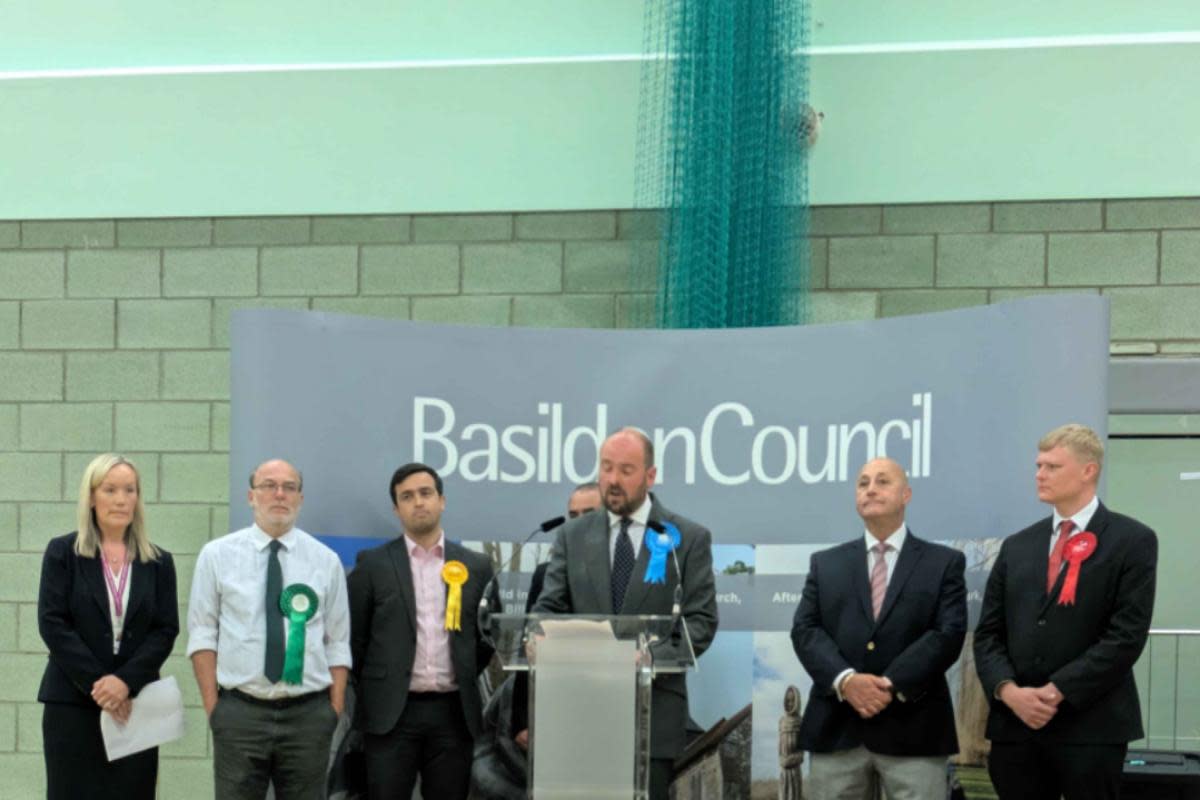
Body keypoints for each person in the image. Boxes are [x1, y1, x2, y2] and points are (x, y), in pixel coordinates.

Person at [533, 428, 719, 799]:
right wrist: (537, 637)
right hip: (580, 712)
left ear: (650, 476)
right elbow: (548, 608)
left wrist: (649, 658)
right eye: (606, 468)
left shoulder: (688, 537)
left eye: (626, 470)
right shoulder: (573, 535)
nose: (613, 480)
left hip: (652, 719)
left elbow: (700, 622)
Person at [974, 424, 1157, 800]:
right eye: (1039, 466)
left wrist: (1057, 691)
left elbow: (1126, 636)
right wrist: (1009, 692)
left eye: (1052, 467)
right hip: (1016, 727)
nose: (1039, 475)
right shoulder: (1017, 546)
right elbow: (989, 633)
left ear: (1088, 471)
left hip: (1091, 727)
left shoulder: (1133, 540)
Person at [791, 457, 967, 800]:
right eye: (863, 483)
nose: (871, 488)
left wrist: (888, 684)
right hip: (836, 730)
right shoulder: (825, 563)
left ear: (907, 494)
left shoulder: (944, 563)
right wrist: (847, 681)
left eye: (883, 481)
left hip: (915, 731)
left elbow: (948, 633)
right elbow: (805, 630)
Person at [187, 459, 351, 799]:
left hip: (309, 717)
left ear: (300, 499)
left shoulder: (326, 561)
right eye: (269, 485)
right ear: (251, 496)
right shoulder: (216, 556)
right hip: (239, 715)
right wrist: (214, 708)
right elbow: (202, 634)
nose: (279, 494)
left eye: (289, 487)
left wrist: (332, 710)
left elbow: (337, 641)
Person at [347, 463, 495, 800]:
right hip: (391, 715)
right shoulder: (373, 564)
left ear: (441, 500)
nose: (418, 502)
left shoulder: (476, 566)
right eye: (407, 496)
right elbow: (356, 640)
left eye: (426, 493)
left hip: (453, 714)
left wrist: (463, 671)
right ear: (396, 508)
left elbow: (485, 640)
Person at [37, 454, 179, 800]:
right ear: (91, 497)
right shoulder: (63, 553)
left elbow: (165, 630)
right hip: (72, 701)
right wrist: (101, 685)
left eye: (129, 490)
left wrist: (125, 682)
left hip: (135, 704)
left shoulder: (158, 561)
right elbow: (52, 623)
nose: (121, 499)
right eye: (110, 489)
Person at [525, 481, 602, 613]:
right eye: (573, 516)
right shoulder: (544, 574)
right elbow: (532, 627)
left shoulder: (620, 570)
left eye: (589, 515)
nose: (579, 522)